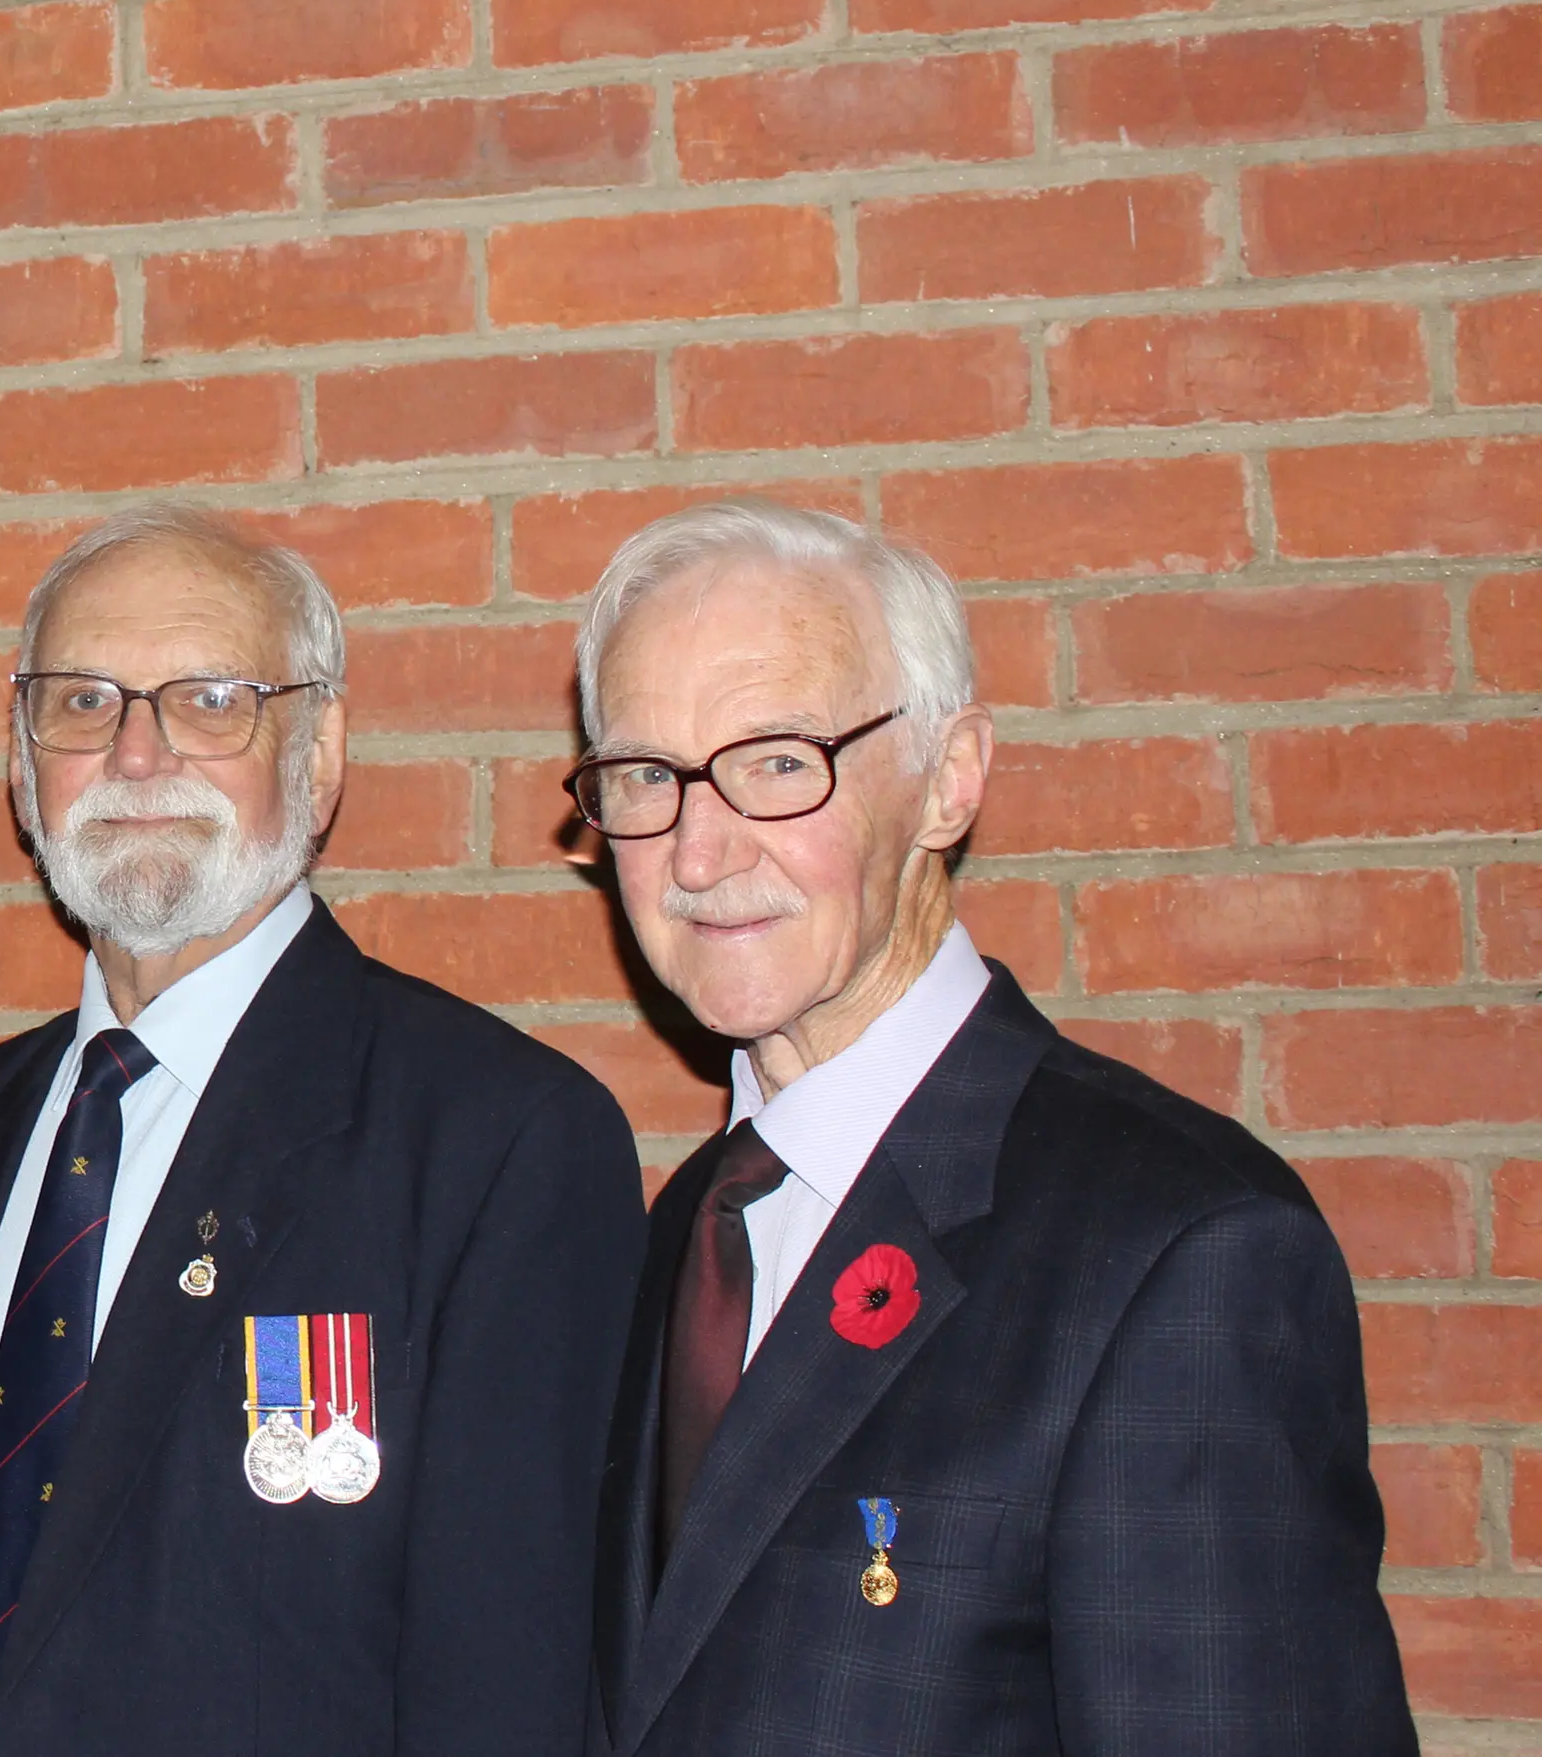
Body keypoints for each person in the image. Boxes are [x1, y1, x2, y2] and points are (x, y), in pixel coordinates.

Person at [0, 504, 644, 1757]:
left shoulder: (498, 1148)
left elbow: (508, 1693)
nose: (138, 756)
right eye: (84, 703)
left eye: (209, 700)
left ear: (319, 753)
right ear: (23, 766)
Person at [572, 499, 1413, 1755]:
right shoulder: (691, 1225)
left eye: (780, 760)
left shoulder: (1177, 1254)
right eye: (647, 776)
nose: (698, 849)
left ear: (948, 781)